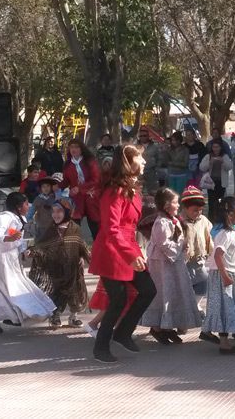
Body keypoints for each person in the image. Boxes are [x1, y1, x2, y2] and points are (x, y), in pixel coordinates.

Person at [89, 145, 157, 363]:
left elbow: (131, 225)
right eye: (140, 157)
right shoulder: (114, 191)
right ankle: (101, 347)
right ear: (129, 162)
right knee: (117, 300)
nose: (144, 162)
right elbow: (111, 229)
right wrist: (130, 254)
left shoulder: (132, 189)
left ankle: (123, 333)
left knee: (147, 290)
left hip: (126, 247)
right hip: (111, 250)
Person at [0, 193, 56, 334]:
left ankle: (12, 317)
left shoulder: (19, 219)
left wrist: (23, 250)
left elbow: (18, 239)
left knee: (15, 289)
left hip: (12, 258)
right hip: (1, 259)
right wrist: (8, 238)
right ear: (18, 206)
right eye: (27, 204)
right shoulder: (4, 218)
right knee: (3, 290)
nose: (29, 207)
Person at [139, 188, 203, 344]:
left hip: (173, 264)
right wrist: (181, 245)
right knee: (163, 293)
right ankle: (157, 328)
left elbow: (178, 240)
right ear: (167, 205)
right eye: (175, 202)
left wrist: (184, 244)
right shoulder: (161, 222)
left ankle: (169, 326)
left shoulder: (174, 220)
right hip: (162, 265)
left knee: (173, 293)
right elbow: (164, 244)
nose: (177, 205)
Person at [28, 199, 90, 328]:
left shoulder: (75, 228)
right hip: (55, 268)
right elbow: (41, 246)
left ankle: (73, 317)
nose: (55, 214)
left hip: (73, 268)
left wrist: (84, 257)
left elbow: (81, 246)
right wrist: (32, 252)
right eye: (53, 211)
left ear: (67, 212)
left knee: (75, 293)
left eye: (59, 211)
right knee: (56, 293)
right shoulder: (50, 229)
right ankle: (55, 316)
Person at [202, 196, 235, 355]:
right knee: (225, 306)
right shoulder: (225, 233)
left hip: (227, 273)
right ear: (230, 215)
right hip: (223, 274)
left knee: (226, 306)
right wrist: (225, 276)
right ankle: (224, 343)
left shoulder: (232, 232)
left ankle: (218, 337)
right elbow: (218, 255)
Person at [179, 186, 213, 321]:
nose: (198, 213)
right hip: (184, 262)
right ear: (185, 209)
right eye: (194, 210)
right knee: (185, 288)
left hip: (199, 260)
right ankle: (184, 314)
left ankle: (196, 305)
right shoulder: (179, 222)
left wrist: (212, 250)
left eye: (200, 210)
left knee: (203, 282)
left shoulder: (203, 220)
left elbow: (209, 235)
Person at [61, 139, 101, 239]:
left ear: (82, 148)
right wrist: (56, 185)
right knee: (74, 227)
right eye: (71, 147)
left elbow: (96, 180)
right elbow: (66, 181)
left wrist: (80, 188)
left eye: (76, 147)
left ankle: (98, 249)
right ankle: (76, 250)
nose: (73, 149)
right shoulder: (68, 165)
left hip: (91, 197)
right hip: (77, 199)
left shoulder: (90, 161)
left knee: (95, 227)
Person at [199, 141, 233, 221]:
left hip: (221, 182)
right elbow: (201, 167)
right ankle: (211, 220)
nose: (215, 149)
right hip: (211, 183)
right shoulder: (208, 156)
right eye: (214, 147)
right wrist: (210, 163)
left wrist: (222, 162)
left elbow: (229, 167)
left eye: (217, 147)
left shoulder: (224, 156)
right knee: (211, 202)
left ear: (221, 148)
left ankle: (221, 219)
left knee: (221, 201)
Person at [139, 129, 162, 194]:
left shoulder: (155, 146)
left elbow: (159, 158)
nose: (143, 137)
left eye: (144, 135)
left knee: (152, 192)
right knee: (140, 192)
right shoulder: (136, 146)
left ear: (148, 136)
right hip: (139, 173)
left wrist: (157, 168)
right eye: (141, 136)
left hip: (152, 172)